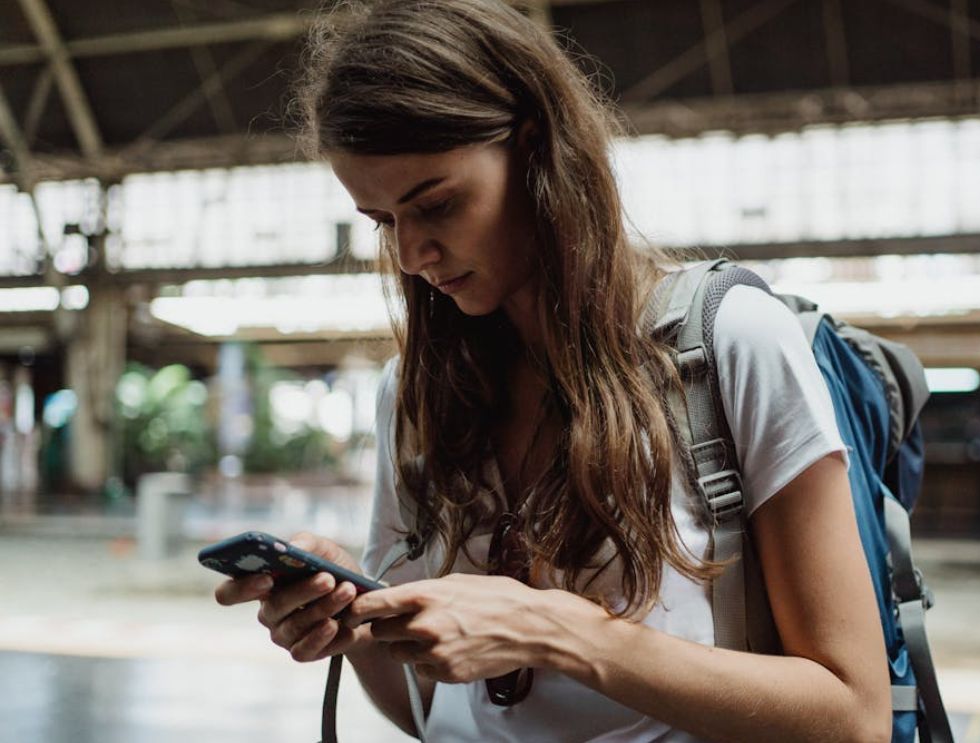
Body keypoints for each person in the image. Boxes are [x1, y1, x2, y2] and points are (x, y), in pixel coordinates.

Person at [212, 1, 889, 741]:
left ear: (536, 150)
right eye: (382, 221)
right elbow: (426, 708)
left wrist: (555, 629)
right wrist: (357, 618)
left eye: (435, 204)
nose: (410, 256)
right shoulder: (411, 393)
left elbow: (852, 716)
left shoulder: (725, 343)